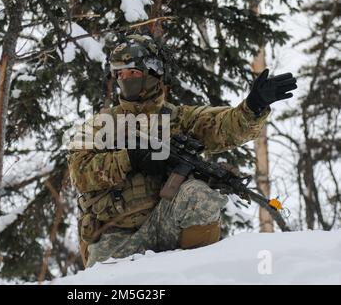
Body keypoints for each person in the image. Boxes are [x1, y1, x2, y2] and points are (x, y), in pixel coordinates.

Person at [67, 34, 297, 268]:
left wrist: (254, 106)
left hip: (164, 224)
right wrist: (130, 157)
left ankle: (195, 271)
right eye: (120, 74)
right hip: (115, 238)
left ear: (152, 73)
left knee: (199, 194)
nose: (126, 79)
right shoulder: (99, 124)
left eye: (133, 72)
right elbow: (79, 173)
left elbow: (223, 126)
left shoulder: (179, 118)